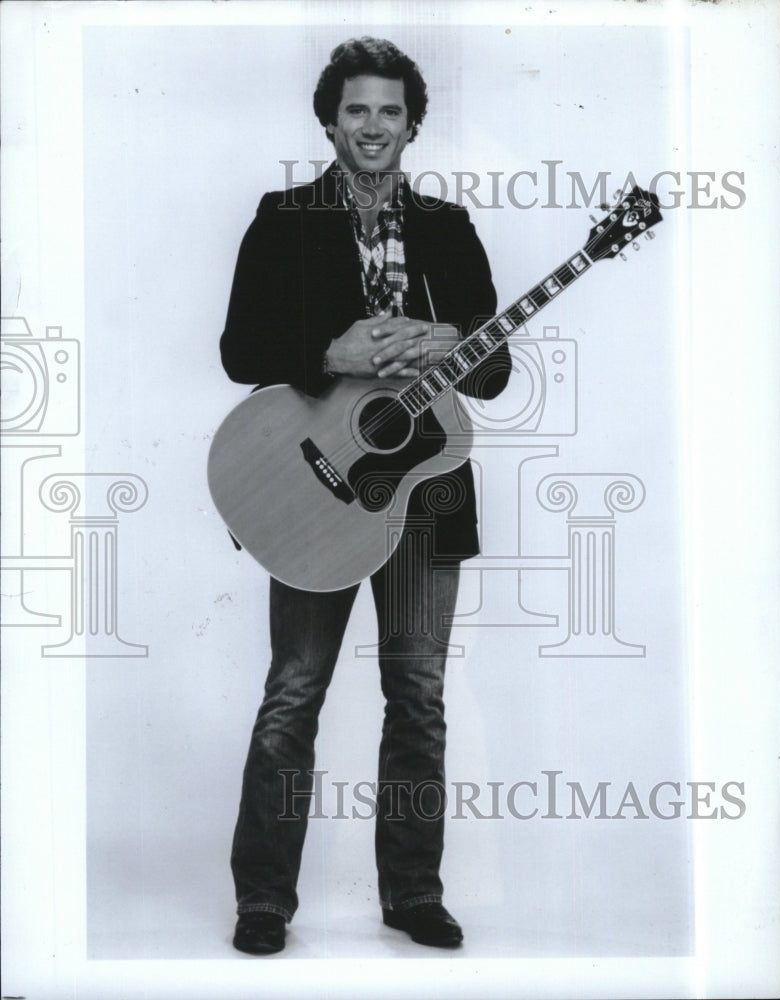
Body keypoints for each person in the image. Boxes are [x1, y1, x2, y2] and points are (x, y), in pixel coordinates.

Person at [219, 36, 511, 955]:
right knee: (293, 692)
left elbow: (493, 371)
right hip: (318, 491)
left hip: (424, 495)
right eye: (357, 110)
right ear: (330, 120)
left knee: (417, 695)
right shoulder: (282, 217)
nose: (374, 125)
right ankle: (264, 899)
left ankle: (413, 895)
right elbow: (238, 352)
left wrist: (450, 338)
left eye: (390, 110)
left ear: (412, 123)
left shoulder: (449, 228)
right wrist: (328, 355)